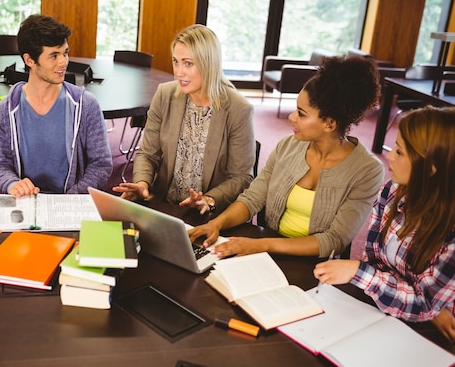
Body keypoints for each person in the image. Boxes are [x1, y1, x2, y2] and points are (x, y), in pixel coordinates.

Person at [189, 55, 384, 258]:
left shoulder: (367, 171)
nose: (292, 117)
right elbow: (252, 199)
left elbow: (334, 239)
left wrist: (262, 246)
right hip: (267, 250)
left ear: (329, 124)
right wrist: (216, 224)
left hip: (316, 267)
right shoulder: (288, 146)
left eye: (301, 113)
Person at [314, 106, 455, 341]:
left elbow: (424, 303)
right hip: (392, 310)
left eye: (400, 152)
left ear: (430, 169)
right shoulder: (392, 191)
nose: (389, 156)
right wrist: (428, 306)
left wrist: (360, 273)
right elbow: (376, 260)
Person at [113, 24, 255, 214]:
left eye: (188, 63)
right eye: (176, 61)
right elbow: (148, 154)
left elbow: (241, 177)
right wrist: (142, 183)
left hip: (208, 214)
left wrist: (209, 199)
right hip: (163, 204)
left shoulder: (238, 109)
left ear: (208, 64)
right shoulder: (165, 94)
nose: (179, 72)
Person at [0, 14, 112, 196]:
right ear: (30, 60)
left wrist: (72, 198)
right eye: (54, 56)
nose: (63, 62)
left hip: (71, 203)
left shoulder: (86, 105)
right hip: (25, 203)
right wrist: (12, 184)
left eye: (65, 53)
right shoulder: (5, 110)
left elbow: (101, 164)